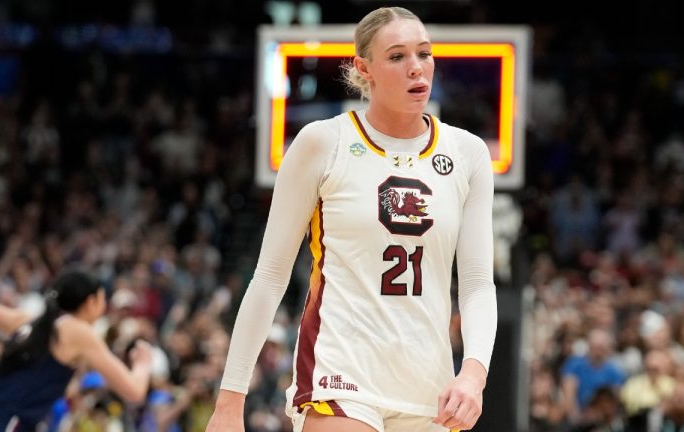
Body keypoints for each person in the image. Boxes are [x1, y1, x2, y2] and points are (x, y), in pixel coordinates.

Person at [207, 6, 497, 432]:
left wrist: (474, 373)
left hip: (428, 384)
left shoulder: (467, 153)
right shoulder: (323, 142)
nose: (416, 68)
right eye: (397, 57)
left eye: (424, 53)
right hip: (339, 371)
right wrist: (230, 401)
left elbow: (475, 283)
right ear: (365, 69)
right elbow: (269, 277)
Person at [0, 268, 154, 431]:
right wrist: (143, 363)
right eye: (102, 300)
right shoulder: (78, 331)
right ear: (90, 302)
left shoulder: (29, 321)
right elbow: (133, 391)